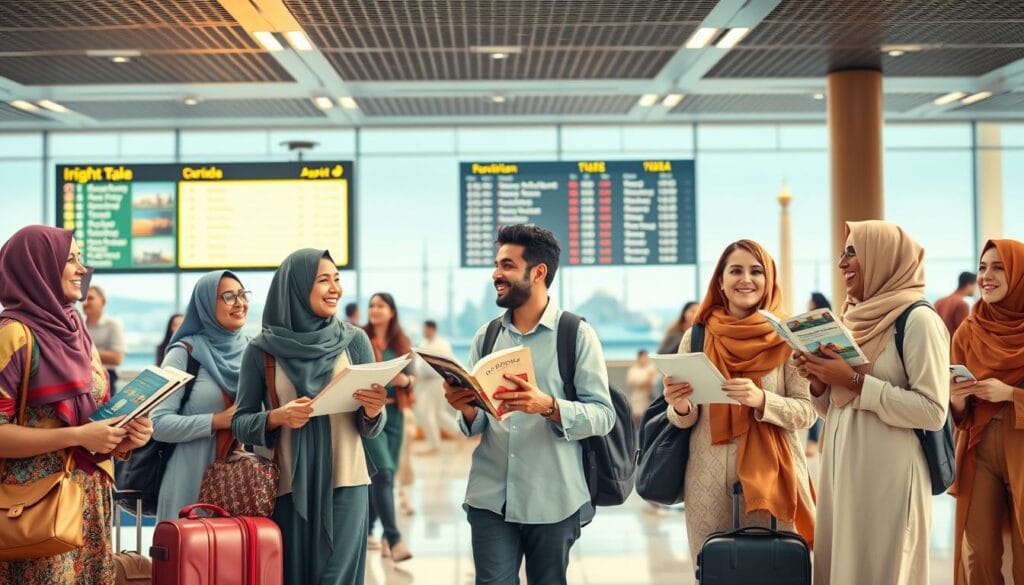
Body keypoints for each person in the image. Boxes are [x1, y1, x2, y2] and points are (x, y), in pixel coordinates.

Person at [444, 224, 615, 585]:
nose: (496, 274)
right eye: (496, 264)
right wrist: (465, 406)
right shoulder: (487, 336)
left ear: (538, 272)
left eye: (507, 265)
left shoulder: (576, 335)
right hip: (490, 496)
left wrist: (548, 406)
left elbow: (604, 415)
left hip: (554, 497)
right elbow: (477, 423)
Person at [795, 220, 949, 585]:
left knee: (884, 570)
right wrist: (820, 383)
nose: (842, 263)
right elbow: (841, 407)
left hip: (889, 479)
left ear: (883, 258)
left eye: (852, 253)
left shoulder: (918, 320)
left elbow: (932, 411)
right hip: (845, 473)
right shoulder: (852, 319)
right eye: (842, 253)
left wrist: (850, 379)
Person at [0, 226, 151, 583]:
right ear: (38, 267)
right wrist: (78, 435)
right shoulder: (13, 334)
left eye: (81, 259)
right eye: (71, 259)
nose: (83, 270)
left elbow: (93, 422)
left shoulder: (77, 333)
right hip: (34, 506)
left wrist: (127, 437)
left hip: (90, 503)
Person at [231, 248, 388, 585]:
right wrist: (276, 417)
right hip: (288, 489)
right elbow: (241, 421)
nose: (336, 288)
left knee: (336, 578)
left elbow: (372, 426)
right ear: (297, 287)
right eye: (323, 280)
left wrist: (374, 410)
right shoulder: (261, 350)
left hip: (347, 482)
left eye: (337, 279)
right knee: (294, 576)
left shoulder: (354, 341)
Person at [662, 239, 816, 567]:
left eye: (756, 271)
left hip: (775, 480)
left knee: (775, 570)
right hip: (707, 483)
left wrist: (762, 400)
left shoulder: (790, 337)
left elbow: (807, 411)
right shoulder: (698, 336)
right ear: (720, 281)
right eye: (736, 270)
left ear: (769, 280)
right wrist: (679, 406)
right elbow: (685, 419)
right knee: (716, 570)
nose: (746, 279)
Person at [948, 239, 1024, 583]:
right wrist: (958, 397)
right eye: (982, 267)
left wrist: (1009, 393)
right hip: (978, 448)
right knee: (977, 554)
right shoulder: (969, 329)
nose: (986, 276)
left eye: (998, 267)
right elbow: (960, 414)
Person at [150, 272, 249, 521]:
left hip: (240, 484)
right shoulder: (184, 353)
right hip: (188, 481)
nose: (239, 303)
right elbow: (158, 424)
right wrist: (217, 421)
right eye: (228, 297)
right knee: (189, 557)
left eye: (242, 294)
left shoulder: (253, 351)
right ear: (205, 304)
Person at [362, 292, 415, 562]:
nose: (375, 310)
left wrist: (402, 380)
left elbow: (410, 379)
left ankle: (374, 532)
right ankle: (394, 539)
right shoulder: (361, 339)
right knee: (382, 473)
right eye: (371, 305)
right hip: (371, 415)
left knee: (385, 477)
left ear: (392, 311)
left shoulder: (402, 342)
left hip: (395, 413)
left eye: (381, 305)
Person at [414, 319, 461, 454]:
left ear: (432, 329)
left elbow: (447, 363)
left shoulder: (442, 344)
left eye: (425, 328)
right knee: (437, 414)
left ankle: (434, 446)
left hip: (437, 381)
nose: (424, 331)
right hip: (425, 382)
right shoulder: (423, 343)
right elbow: (419, 365)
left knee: (429, 413)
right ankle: (458, 432)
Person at [83, 285, 125, 389]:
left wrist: (82, 351)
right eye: (83, 299)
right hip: (82, 376)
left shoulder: (113, 325)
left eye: (90, 298)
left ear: (103, 302)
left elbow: (116, 358)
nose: (85, 303)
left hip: (106, 377)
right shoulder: (79, 324)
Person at [805, 292, 831, 457]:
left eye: (811, 307)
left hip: (827, 367)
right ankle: (813, 441)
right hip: (814, 366)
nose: (809, 311)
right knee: (814, 402)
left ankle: (815, 442)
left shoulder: (828, 321)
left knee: (824, 407)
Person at [935, 271, 978, 335]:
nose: (976, 290)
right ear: (969, 285)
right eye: (976, 286)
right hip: (953, 344)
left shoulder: (939, 302)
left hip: (939, 343)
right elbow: (964, 334)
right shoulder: (962, 304)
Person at [626, 349, 657, 428]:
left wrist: (643, 383)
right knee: (636, 417)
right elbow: (631, 382)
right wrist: (644, 382)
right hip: (637, 397)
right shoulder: (634, 369)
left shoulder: (651, 368)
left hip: (648, 397)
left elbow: (651, 383)